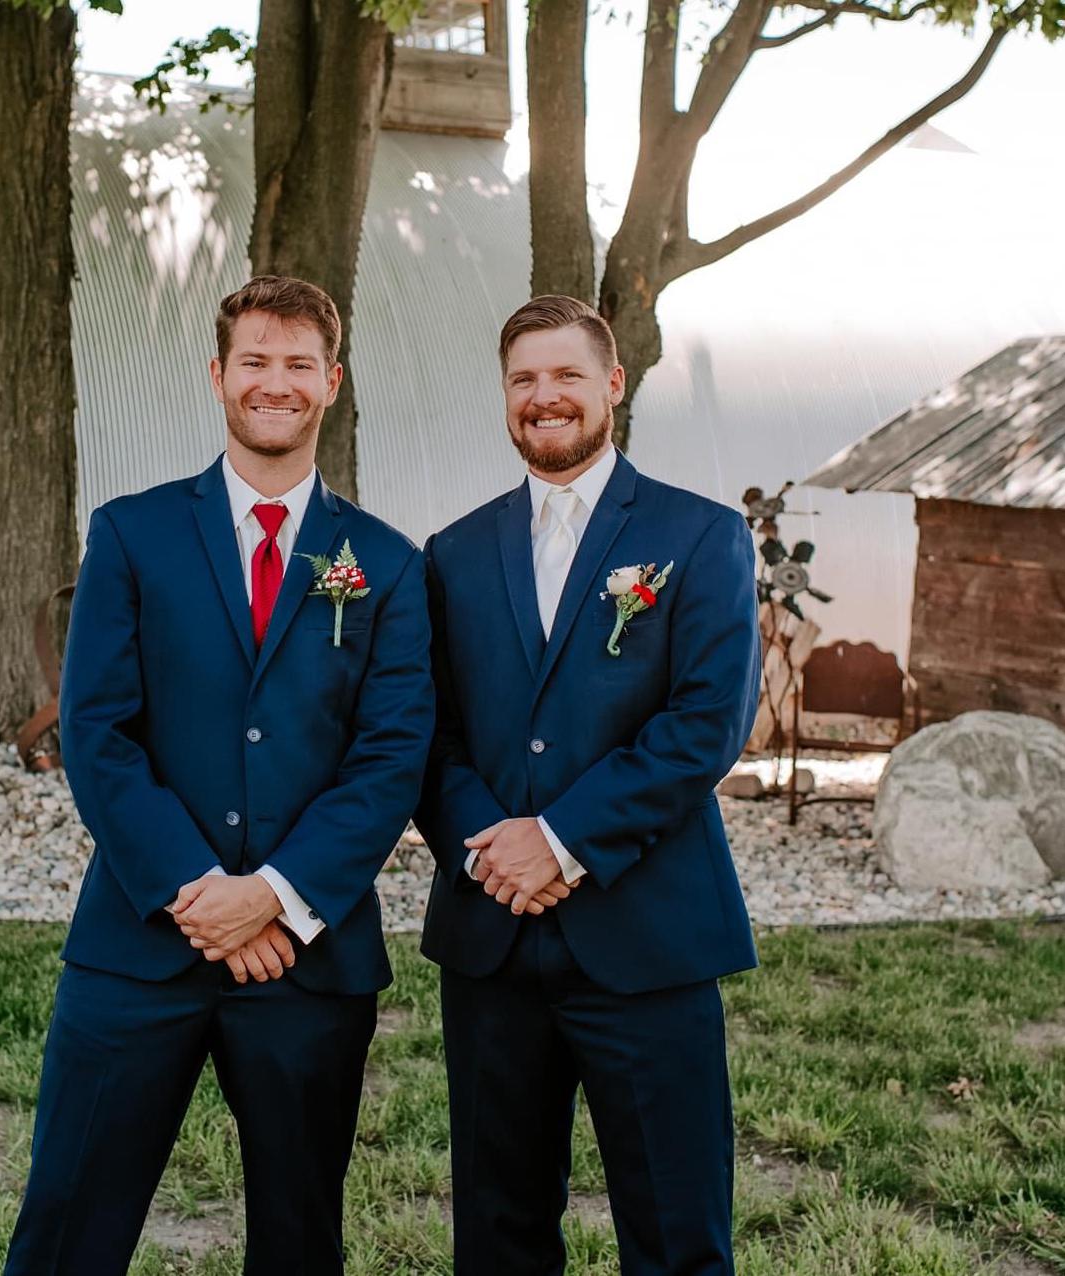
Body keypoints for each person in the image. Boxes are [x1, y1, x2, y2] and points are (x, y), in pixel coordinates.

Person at [4, 275, 434, 1276]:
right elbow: (98, 730)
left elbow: (390, 755)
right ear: (218, 375)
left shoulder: (387, 563)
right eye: (255, 361)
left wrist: (275, 897)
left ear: (331, 382)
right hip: (140, 942)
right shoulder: (131, 535)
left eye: (298, 364)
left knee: (298, 1238)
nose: (275, 383)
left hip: (305, 961)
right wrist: (199, 894)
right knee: (67, 1225)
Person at [415, 294, 760, 1276]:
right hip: (491, 939)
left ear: (612, 384)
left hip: (648, 935)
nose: (544, 396)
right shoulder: (452, 553)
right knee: (498, 1234)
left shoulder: (699, 537)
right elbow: (426, 735)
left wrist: (559, 840)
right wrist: (493, 851)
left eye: (566, 374)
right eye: (523, 379)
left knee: (676, 1235)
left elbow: (704, 725)